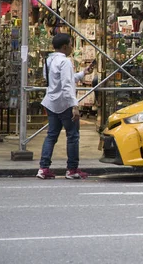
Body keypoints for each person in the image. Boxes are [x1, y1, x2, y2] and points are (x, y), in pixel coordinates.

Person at [37, 33, 94, 180]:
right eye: (70, 44)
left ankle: (43, 168)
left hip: (51, 101)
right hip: (64, 103)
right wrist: (74, 105)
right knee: (73, 136)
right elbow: (67, 84)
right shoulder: (66, 62)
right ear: (64, 46)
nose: (71, 47)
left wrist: (82, 73)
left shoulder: (49, 60)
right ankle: (72, 169)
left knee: (51, 135)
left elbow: (59, 79)